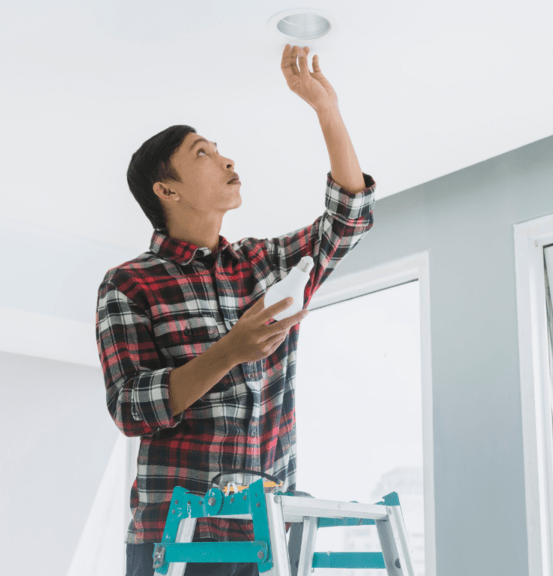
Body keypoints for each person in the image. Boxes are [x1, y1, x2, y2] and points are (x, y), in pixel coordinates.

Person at [96, 44, 377, 576]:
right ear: (166, 190)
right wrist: (230, 351)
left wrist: (327, 110)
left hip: (267, 532)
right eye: (202, 154)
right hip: (178, 537)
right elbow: (131, 409)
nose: (227, 160)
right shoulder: (129, 285)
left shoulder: (262, 263)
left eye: (220, 149)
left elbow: (349, 219)